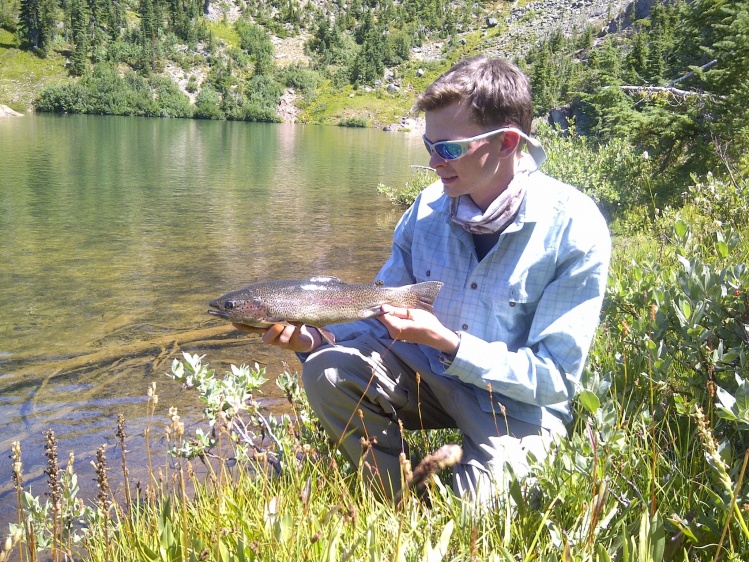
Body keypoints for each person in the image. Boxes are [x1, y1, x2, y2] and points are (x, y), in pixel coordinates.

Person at [235, 56, 611, 503]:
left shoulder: (574, 227)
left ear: (508, 143)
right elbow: (377, 317)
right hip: (426, 380)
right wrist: (317, 342)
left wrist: (450, 344)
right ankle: (399, 501)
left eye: (449, 149)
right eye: (428, 145)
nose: (433, 162)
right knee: (325, 371)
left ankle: (469, 484)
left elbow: (555, 379)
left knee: (483, 515)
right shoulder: (427, 208)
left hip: (514, 406)